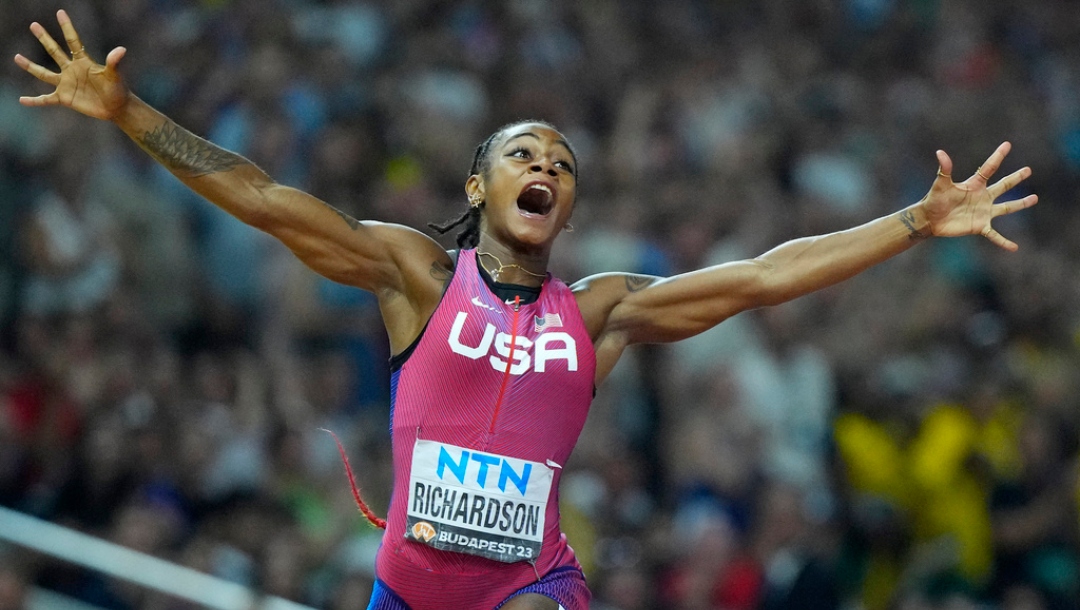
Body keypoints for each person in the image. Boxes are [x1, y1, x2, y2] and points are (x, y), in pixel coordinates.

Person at [14, 10, 1038, 610]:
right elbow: (265, 198)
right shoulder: (416, 277)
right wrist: (130, 113)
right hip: (406, 587)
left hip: (530, 586)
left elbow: (766, 277)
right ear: (478, 186)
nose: (546, 163)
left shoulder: (599, 315)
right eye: (523, 152)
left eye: (563, 161)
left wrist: (913, 220)